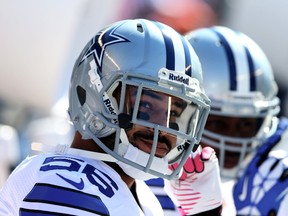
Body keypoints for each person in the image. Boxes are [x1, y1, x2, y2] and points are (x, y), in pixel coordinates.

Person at [0, 19, 222, 215]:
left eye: (173, 112)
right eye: (145, 105)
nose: (163, 128)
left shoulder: (141, 196)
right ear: (93, 95)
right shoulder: (69, 185)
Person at [166, 25, 288, 216]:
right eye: (218, 123)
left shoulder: (276, 169)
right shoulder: (143, 175)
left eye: (246, 124)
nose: (233, 140)